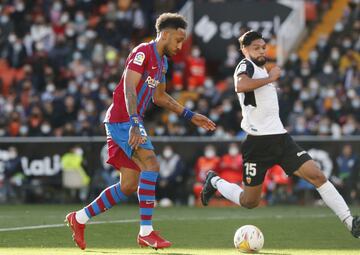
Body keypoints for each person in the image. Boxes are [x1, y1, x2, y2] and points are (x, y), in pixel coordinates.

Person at [65, 13, 216, 250]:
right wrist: (135, 122)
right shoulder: (143, 52)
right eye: (177, 40)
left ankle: (79, 218)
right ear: (165, 34)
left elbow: (159, 96)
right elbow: (128, 88)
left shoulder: (163, 63)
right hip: (123, 119)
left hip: (129, 120)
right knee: (152, 165)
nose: (179, 46)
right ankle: (146, 232)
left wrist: (190, 115)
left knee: (128, 185)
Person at [200, 30, 360, 239]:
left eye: (263, 47)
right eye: (256, 47)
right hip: (257, 144)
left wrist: (269, 77)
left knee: (317, 175)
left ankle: (350, 222)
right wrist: (271, 78)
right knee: (250, 202)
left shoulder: (261, 67)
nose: (261, 50)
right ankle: (214, 181)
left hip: (281, 139)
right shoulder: (245, 65)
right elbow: (241, 85)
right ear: (244, 50)